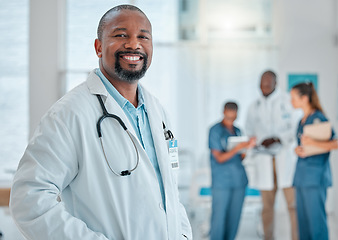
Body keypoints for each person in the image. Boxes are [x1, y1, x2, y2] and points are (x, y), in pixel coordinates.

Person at [10, 5, 192, 240]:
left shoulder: (157, 111)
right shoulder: (70, 114)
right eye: (121, 35)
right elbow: (29, 200)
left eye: (143, 36)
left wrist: (184, 234)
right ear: (98, 47)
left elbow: (168, 190)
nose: (133, 44)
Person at [245, 70, 298, 240]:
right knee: (267, 207)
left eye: (268, 82)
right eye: (262, 82)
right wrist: (260, 140)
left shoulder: (287, 102)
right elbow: (249, 131)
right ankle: (269, 237)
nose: (265, 86)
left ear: (276, 83)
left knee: (292, 205)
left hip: (284, 158)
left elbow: (294, 128)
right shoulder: (254, 106)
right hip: (264, 160)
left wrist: (277, 138)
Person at [290, 82, 338, 240]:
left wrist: (312, 143)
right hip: (302, 178)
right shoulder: (301, 121)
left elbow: (334, 143)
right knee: (303, 224)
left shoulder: (319, 118)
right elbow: (303, 146)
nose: (291, 101)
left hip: (315, 179)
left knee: (316, 223)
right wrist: (299, 150)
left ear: (304, 98)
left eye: (293, 98)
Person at [208, 102, 255, 240]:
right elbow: (220, 158)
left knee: (234, 218)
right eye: (229, 113)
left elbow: (241, 157)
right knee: (219, 218)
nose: (231, 117)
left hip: (239, 181)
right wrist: (237, 147)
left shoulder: (238, 131)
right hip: (222, 182)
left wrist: (247, 147)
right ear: (223, 112)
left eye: (234, 114)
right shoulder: (215, 130)